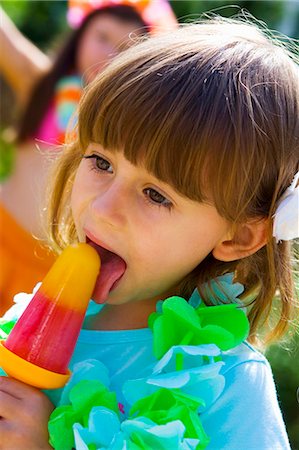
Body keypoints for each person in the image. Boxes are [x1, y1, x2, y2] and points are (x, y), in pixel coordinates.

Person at [0, 16, 298, 450]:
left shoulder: (231, 386)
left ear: (237, 237)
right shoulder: (27, 324)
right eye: (101, 163)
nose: (103, 209)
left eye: (156, 195)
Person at [0, 1, 177, 315]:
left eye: (125, 47)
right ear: (80, 35)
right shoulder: (40, 84)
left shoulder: (129, 132)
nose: (109, 54)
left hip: (53, 272)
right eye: (103, 37)